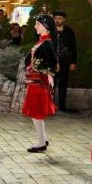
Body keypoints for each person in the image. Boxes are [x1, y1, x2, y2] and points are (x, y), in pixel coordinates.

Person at [22, 15, 58, 153]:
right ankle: (43, 138)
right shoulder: (42, 41)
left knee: (35, 112)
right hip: (35, 81)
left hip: (38, 82)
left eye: (37, 24)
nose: (35, 26)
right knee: (35, 112)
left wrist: (42, 70)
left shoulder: (47, 42)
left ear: (45, 26)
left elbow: (53, 63)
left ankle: (41, 142)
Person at [53, 10, 77, 112]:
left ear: (64, 19)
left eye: (59, 18)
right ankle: (49, 105)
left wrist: (73, 62)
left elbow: (73, 48)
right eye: (55, 18)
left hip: (65, 62)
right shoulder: (50, 31)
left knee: (63, 84)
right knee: (51, 84)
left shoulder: (69, 32)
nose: (57, 20)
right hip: (52, 62)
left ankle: (62, 106)